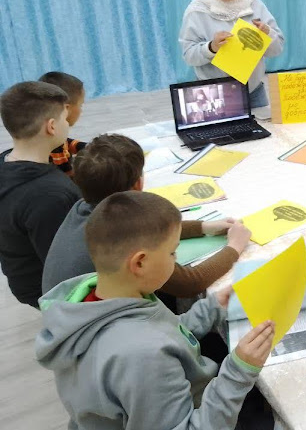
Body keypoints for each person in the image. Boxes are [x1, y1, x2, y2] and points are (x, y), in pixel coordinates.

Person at [36, 191, 274, 429]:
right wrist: (238, 371)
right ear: (139, 263)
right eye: (172, 252)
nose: (176, 258)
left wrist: (211, 308)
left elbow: (163, 331)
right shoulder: (143, 356)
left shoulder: (102, 297)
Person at [42, 134, 251, 300]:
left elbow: (153, 227)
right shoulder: (124, 232)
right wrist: (234, 247)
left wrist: (204, 227)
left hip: (64, 309)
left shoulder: (86, 206)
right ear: (138, 184)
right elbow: (191, 283)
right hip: (94, 319)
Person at [0, 82, 81, 307]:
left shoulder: (5, 159)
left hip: (21, 276)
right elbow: (67, 267)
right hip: (49, 290)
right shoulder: (52, 194)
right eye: (65, 119)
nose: (68, 124)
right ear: (52, 126)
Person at [179, 0, 285, 117]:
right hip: (213, 95)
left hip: (253, 93)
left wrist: (268, 34)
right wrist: (211, 48)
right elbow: (188, 56)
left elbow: (277, 49)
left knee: (264, 132)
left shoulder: (254, 5)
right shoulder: (198, 10)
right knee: (221, 133)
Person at [38, 72, 87, 177]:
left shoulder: (52, 133)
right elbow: (66, 178)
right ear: (66, 109)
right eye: (80, 105)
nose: (81, 110)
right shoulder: (53, 148)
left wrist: (85, 147)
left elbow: (65, 143)